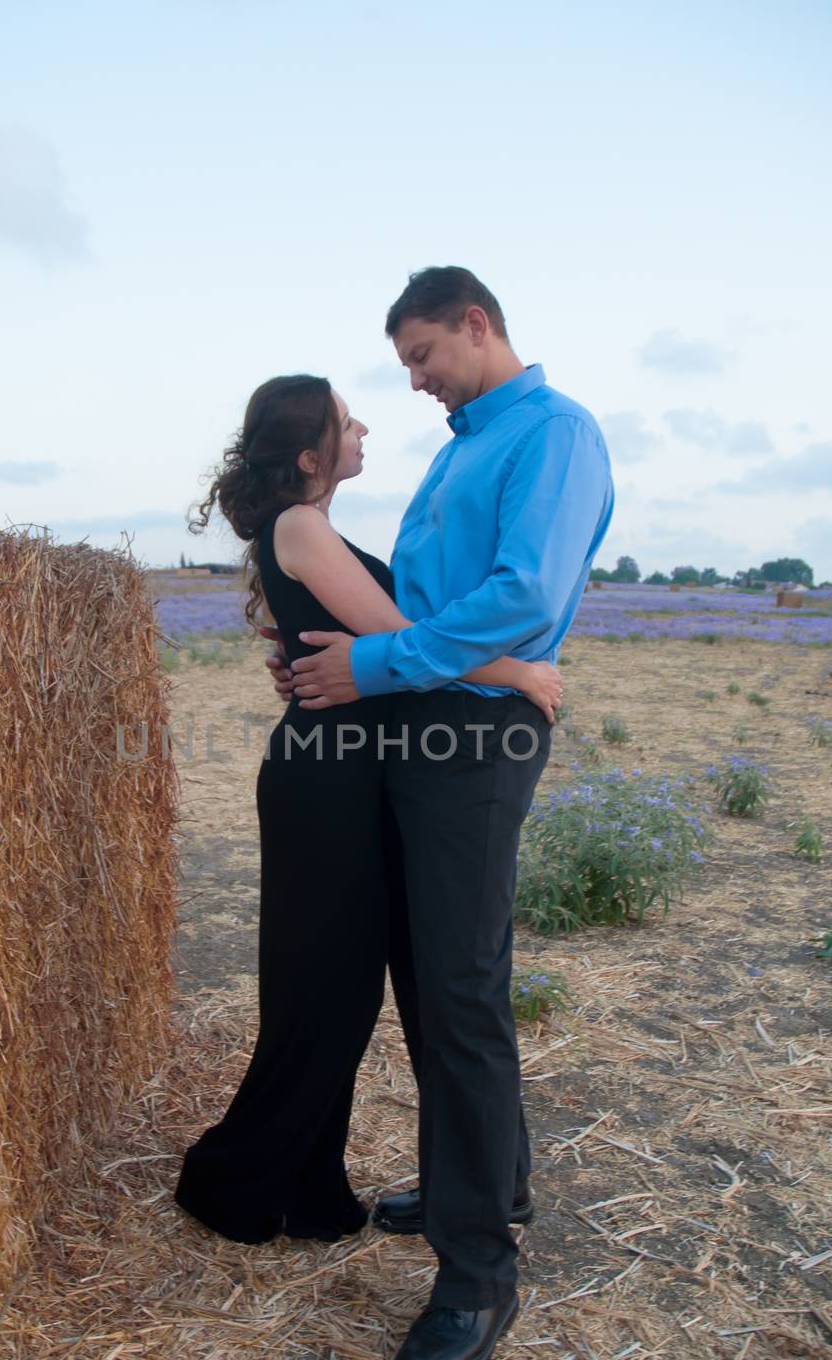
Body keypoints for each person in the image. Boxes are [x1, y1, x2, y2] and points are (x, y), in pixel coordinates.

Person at [270, 267, 615, 1360]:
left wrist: (369, 664)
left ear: (476, 325)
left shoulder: (553, 435)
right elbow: (420, 596)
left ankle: (477, 1273)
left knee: (459, 990)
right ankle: (489, 1180)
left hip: (474, 738)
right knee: (433, 975)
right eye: (405, 366)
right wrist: (333, 655)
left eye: (423, 357)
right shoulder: (467, 440)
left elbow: (519, 596)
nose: (413, 382)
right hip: (427, 724)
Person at [174, 374, 564, 1251]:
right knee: (322, 994)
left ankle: (310, 1185)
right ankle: (239, 1180)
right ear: (311, 455)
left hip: (352, 772)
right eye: (346, 423)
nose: (363, 430)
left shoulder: (312, 529)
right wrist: (519, 674)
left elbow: (374, 642)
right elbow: (399, 634)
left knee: (340, 993)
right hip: (326, 779)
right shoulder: (302, 525)